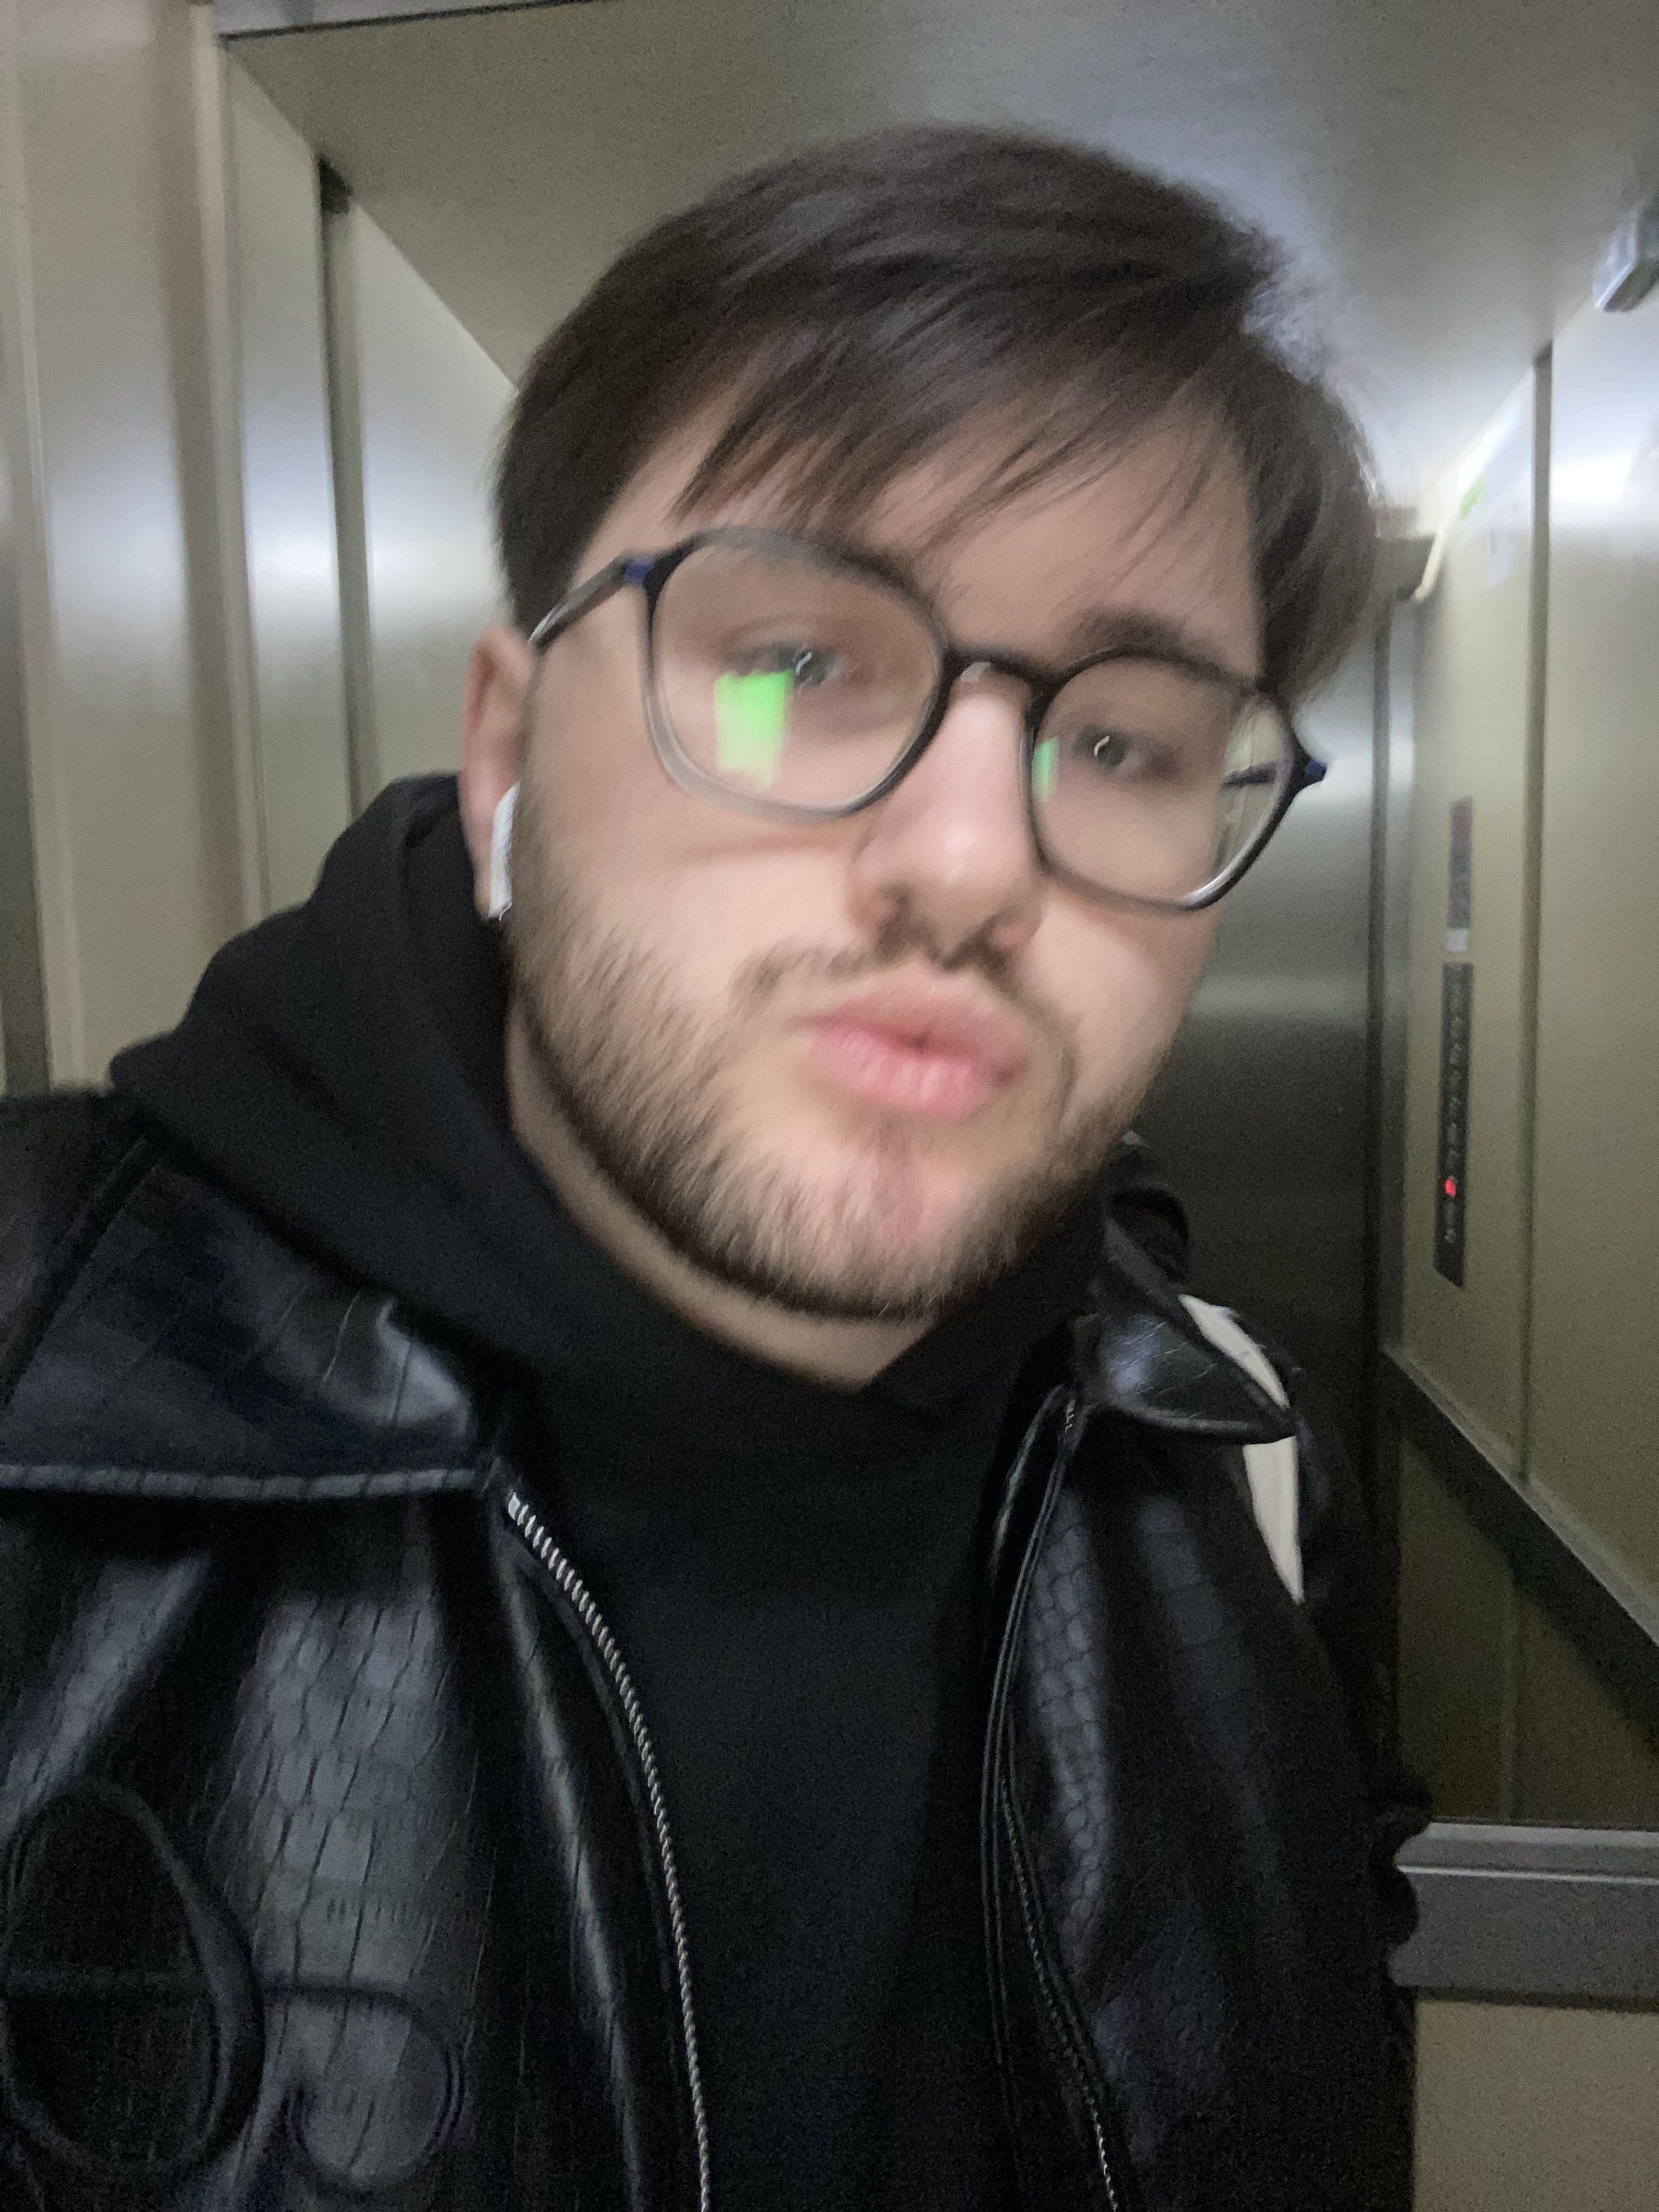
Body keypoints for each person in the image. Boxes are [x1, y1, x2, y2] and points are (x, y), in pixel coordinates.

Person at [0, 125, 1423, 2212]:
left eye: (1122, 742)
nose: (969, 865)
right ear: (510, 750)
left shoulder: (1234, 1461)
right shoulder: (37, 1390)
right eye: (794, 664)